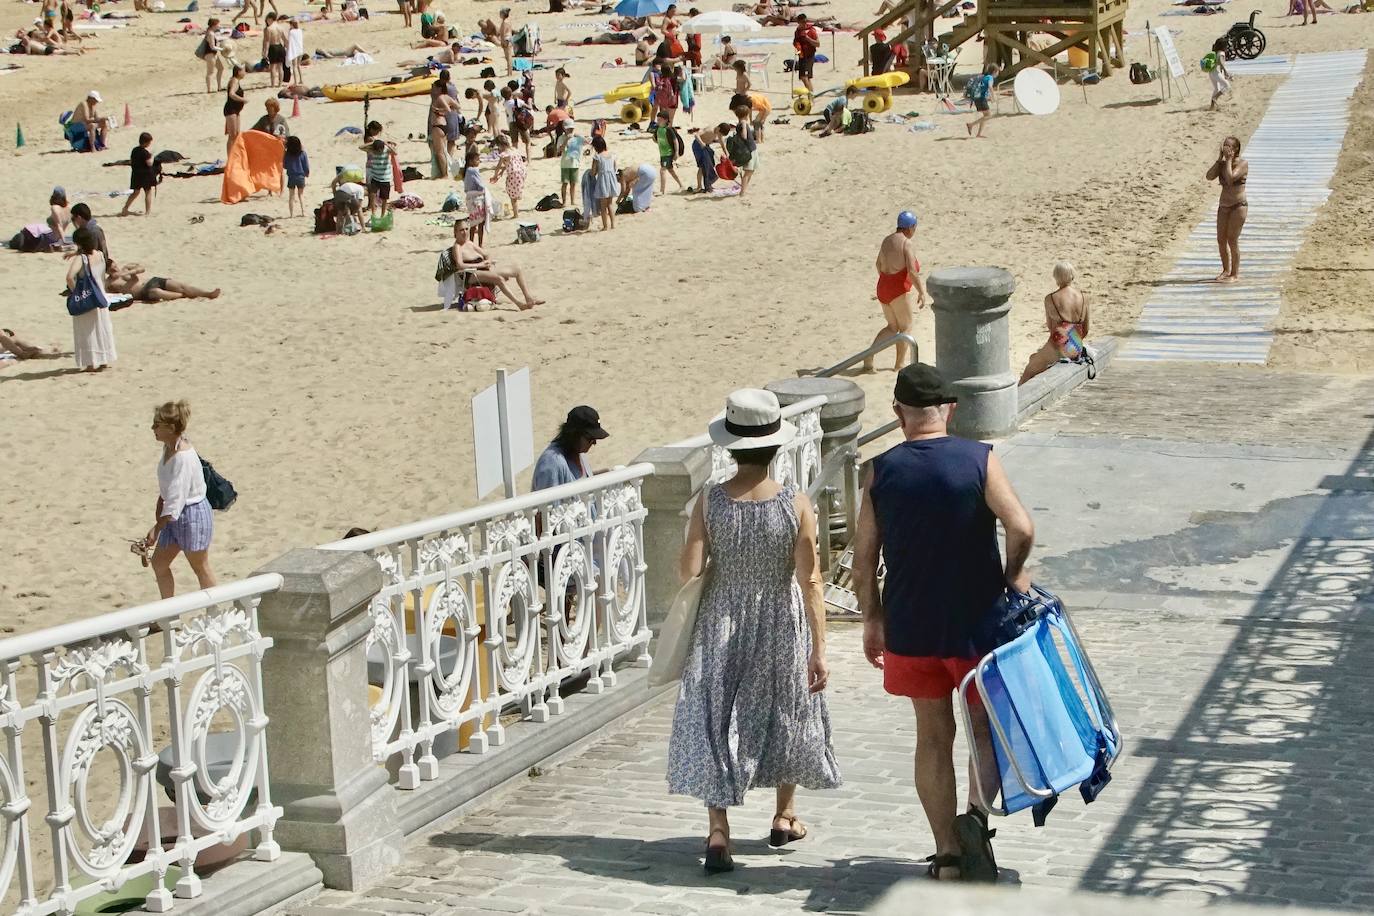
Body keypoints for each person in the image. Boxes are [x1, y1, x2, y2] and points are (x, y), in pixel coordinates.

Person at [853, 362, 1035, 883]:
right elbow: (1020, 525)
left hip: (911, 624)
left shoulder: (880, 470)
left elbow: (864, 558)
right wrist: (1013, 574)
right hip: (978, 623)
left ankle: (947, 853)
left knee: (932, 736)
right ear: (949, 409)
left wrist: (871, 619)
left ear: (898, 413)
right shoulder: (979, 459)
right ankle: (976, 817)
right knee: (985, 729)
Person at [668, 388, 841, 874]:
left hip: (722, 617)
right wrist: (820, 649)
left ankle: (719, 829)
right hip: (779, 616)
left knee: (713, 714)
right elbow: (810, 578)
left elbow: (690, 572)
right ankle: (784, 815)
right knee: (788, 707)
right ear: (775, 447)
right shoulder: (795, 502)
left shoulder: (710, 501)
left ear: (730, 446)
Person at [142, 401, 218, 600]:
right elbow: (168, 490)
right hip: (172, 516)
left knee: (200, 566)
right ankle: (169, 615)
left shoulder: (182, 457)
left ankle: (215, 615)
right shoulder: (169, 447)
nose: (153, 429)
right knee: (159, 563)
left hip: (192, 516)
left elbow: (176, 498)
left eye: (157, 425)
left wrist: (156, 529)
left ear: (170, 428)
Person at [865, 211, 926, 372]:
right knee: (906, 327)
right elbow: (912, 272)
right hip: (898, 288)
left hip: (883, 285)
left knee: (892, 327)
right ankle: (899, 365)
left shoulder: (887, 240)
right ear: (910, 228)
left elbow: (878, 264)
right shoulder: (906, 244)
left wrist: (887, 280)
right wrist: (921, 291)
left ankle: (869, 357)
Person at [441, 222, 543, 309]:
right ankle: (518, 304)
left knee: (517, 269)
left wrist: (488, 261)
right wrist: (480, 264)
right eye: (461, 230)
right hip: (470, 274)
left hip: (483, 269)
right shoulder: (457, 247)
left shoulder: (469, 243)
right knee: (498, 278)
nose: (465, 232)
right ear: (455, 233)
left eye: (466, 229)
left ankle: (528, 297)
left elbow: (486, 254)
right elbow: (459, 265)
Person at [1019, 261, 1090, 384]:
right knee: (1034, 357)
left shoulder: (1051, 298)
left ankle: (1017, 401)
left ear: (1056, 277)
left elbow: (1051, 327)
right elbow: (1086, 328)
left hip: (1059, 342)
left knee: (1030, 369)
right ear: (1072, 275)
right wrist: (1072, 342)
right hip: (1076, 345)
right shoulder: (1084, 297)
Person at [66, 228, 116, 372]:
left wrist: (75, 291)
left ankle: (90, 363)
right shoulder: (100, 255)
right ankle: (104, 360)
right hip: (99, 295)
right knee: (101, 328)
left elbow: (69, 277)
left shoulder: (81, 259)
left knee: (87, 330)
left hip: (87, 297)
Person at [532, 406, 608, 489]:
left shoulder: (579, 452)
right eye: (590, 438)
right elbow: (549, 500)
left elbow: (582, 481)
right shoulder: (552, 464)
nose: (594, 443)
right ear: (574, 434)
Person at [1207, 136, 1248, 282]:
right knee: (1221, 239)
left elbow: (1230, 179)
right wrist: (1219, 161)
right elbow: (1209, 176)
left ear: (1236, 149)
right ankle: (1225, 269)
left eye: (1229, 146)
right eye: (1225, 145)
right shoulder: (1222, 164)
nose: (1226, 148)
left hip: (1238, 206)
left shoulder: (1242, 164)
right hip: (1224, 206)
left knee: (1232, 240)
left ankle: (1235, 274)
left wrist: (1229, 161)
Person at [107, 271, 222, 303]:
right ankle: (183, 296)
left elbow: (141, 268)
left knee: (182, 286)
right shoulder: (109, 283)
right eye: (112, 269)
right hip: (144, 292)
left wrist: (127, 273)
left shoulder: (125, 269)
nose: (115, 269)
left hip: (152, 281)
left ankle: (207, 293)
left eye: (115, 266)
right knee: (157, 293)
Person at [120, 132, 160, 217]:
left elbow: (131, 161)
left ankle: (125, 208)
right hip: (145, 175)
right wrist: (152, 156)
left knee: (135, 192)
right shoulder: (145, 153)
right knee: (148, 192)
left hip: (136, 174)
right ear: (146, 142)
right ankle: (148, 211)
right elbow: (149, 163)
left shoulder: (134, 150)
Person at [359, 137, 397, 220]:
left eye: (380, 150)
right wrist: (372, 143)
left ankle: (382, 215)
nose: (379, 152)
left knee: (384, 199)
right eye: (377, 150)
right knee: (372, 196)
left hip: (385, 179)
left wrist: (386, 144)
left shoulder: (386, 150)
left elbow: (395, 152)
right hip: (375, 177)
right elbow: (360, 147)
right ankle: (373, 215)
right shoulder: (372, 151)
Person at [428, 83, 460, 178]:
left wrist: (439, 111)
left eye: (434, 88)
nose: (432, 89)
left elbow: (448, 109)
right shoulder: (447, 97)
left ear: (439, 89)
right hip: (443, 125)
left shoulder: (440, 98)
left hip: (438, 125)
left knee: (440, 152)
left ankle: (444, 174)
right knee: (442, 151)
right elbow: (457, 106)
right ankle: (444, 173)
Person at [491, 135, 527, 218]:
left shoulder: (504, 154)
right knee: (515, 191)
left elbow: (498, 167)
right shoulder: (514, 150)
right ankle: (517, 202)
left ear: (500, 145)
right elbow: (510, 164)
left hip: (514, 175)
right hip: (522, 172)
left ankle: (516, 214)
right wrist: (502, 173)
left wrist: (495, 176)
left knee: (512, 196)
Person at [462, 147, 492, 245]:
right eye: (477, 160)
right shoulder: (473, 170)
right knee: (480, 223)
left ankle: (470, 243)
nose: (479, 161)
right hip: (477, 199)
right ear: (471, 161)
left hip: (469, 199)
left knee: (473, 223)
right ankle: (479, 244)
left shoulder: (466, 170)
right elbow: (480, 186)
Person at [650, 111, 684, 192]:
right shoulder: (658, 129)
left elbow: (675, 141)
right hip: (662, 154)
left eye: (659, 120)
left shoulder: (668, 130)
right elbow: (656, 140)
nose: (658, 121)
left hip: (668, 153)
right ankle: (681, 185)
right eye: (657, 120)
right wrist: (655, 139)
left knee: (662, 170)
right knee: (670, 170)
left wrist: (676, 153)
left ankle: (662, 191)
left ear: (665, 120)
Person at [729, 102, 758, 196]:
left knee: (751, 170)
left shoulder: (739, 124)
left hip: (752, 149)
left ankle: (744, 188)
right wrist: (745, 125)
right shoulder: (742, 123)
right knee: (748, 171)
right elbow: (744, 136)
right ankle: (742, 192)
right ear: (746, 114)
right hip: (749, 150)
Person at [691, 122, 730, 192]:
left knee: (710, 165)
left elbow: (722, 143)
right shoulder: (709, 130)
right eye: (720, 134)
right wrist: (701, 143)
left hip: (706, 147)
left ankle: (708, 184)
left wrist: (727, 153)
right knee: (701, 166)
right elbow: (696, 135)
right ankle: (699, 186)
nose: (720, 135)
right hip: (698, 146)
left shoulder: (718, 132)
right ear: (718, 128)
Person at [965, 63, 1000, 138]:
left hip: (977, 98)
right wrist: (993, 97)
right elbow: (990, 87)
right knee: (988, 115)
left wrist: (990, 97)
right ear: (994, 71)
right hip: (981, 99)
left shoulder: (985, 77)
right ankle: (971, 125)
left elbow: (984, 88)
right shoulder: (990, 78)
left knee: (985, 116)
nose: (998, 74)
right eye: (997, 72)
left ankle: (979, 134)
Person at [591, 135, 618, 230]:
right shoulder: (612, 155)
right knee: (610, 203)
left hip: (603, 181)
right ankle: (613, 224)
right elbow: (615, 168)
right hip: (611, 180)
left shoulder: (597, 157)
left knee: (603, 205)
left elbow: (593, 172)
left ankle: (605, 226)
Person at [559, 123, 588, 206]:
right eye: (569, 129)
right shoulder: (561, 138)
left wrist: (579, 136)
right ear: (565, 129)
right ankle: (564, 201)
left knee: (573, 183)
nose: (571, 130)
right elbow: (560, 150)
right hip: (565, 163)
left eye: (572, 128)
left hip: (575, 163)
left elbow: (588, 141)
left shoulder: (577, 138)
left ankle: (572, 201)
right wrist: (566, 140)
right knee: (565, 183)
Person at [330, 169, 367, 234]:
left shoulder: (355, 186)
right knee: (358, 209)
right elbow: (359, 208)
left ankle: (338, 231)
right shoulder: (361, 189)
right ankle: (363, 228)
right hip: (345, 194)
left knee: (340, 213)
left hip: (338, 193)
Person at [283, 135, 310, 218]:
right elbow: (306, 166)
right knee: (301, 195)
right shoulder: (303, 154)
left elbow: (285, 166)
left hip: (291, 176)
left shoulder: (287, 154)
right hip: (301, 176)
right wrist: (307, 173)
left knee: (291, 196)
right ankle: (303, 212)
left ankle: (291, 214)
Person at [793, 13, 819, 94]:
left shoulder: (811, 30)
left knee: (805, 77)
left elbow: (817, 44)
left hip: (809, 55)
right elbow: (795, 41)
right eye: (802, 22)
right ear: (798, 22)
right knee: (805, 78)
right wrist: (797, 46)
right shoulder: (797, 31)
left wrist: (808, 38)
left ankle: (811, 95)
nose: (804, 24)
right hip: (802, 56)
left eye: (805, 22)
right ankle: (811, 93)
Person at [224, 64, 247, 155]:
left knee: (237, 134)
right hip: (231, 110)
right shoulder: (234, 81)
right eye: (243, 71)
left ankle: (235, 154)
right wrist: (243, 100)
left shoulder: (236, 81)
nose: (245, 73)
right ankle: (230, 157)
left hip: (236, 110)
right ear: (239, 72)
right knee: (232, 136)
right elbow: (231, 94)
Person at [199, 18, 225, 93]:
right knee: (210, 72)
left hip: (214, 54)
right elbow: (212, 46)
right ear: (214, 25)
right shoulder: (210, 33)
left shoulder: (211, 32)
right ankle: (209, 89)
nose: (219, 26)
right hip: (210, 54)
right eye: (218, 24)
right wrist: (222, 49)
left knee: (221, 68)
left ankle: (219, 87)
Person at [263, 12, 288, 86]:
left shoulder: (269, 29)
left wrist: (265, 52)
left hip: (273, 47)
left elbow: (267, 41)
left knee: (273, 67)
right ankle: (280, 84)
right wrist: (287, 47)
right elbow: (285, 39)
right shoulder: (280, 27)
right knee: (280, 67)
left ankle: (273, 84)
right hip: (280, 46)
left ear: (270, 19)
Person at [1208, 39, 1232, 110]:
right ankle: (1215, 98)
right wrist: (1226, 71)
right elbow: (1221, 63)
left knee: (1217, 89)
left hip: (1211, 72)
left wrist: (1224, 73)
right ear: (1223, 46)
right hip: (1216, 72)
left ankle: (1212, 106)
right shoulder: (1221, 53)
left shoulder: (1216, 51)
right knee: (1227, 86)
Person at [286, 19, 306, 86]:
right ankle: (301, 79)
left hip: (294, 50)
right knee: (298, 65)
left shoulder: (291, 32)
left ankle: (295, 81)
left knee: (294, 66)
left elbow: (289, 40)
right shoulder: (300, 31)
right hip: (300, 49)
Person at [498, 7, 514, 74]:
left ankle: (509, 72)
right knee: (509, 56)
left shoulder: (504, 22)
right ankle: (510, 71)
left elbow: (503, 33)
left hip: (506, 39)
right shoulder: (508, 21)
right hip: (509, 38)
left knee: (508, 56)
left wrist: (502, 41)